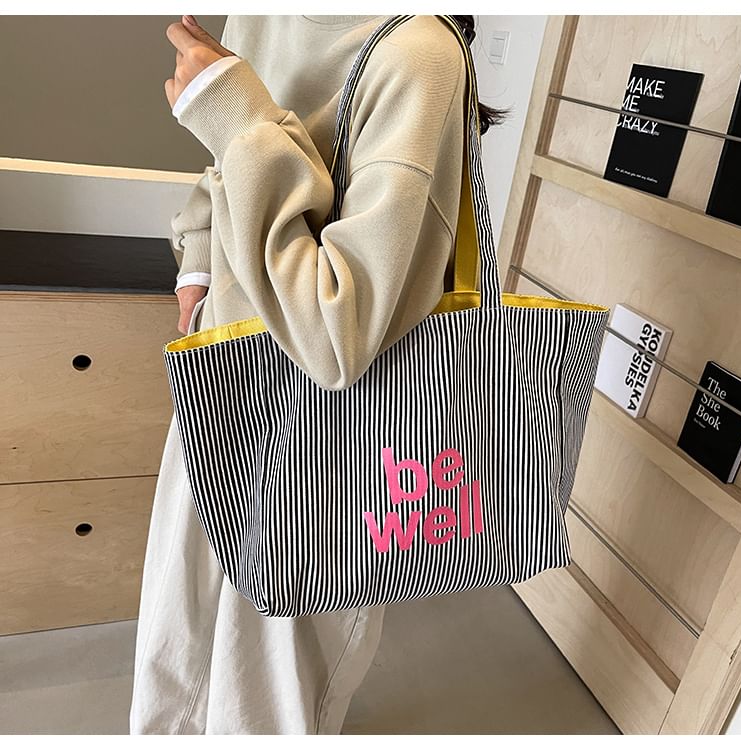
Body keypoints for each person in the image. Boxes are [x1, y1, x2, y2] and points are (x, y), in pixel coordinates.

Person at [129, 14, 508, 734]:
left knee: (260, 704)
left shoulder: (419, 54)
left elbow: (337, 334)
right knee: (173, 657)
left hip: (332, 447)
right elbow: (226, 164)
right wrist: (201, 259)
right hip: (222, 380)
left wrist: (236, 116)